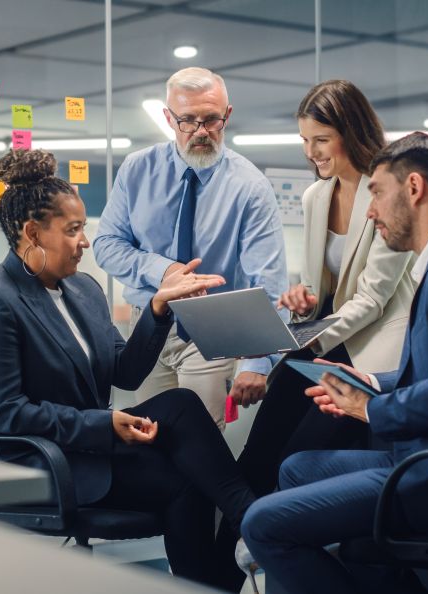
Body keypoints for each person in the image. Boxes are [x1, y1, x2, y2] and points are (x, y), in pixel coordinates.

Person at [239, 132, 428, 594]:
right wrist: (372, 382)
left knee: (263, 523)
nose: (372, 211)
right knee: (297, 467)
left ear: (414, 188)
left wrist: (369, 408)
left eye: (377, 192)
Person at [0, 149, 256, 588]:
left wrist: (159, 308)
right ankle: (249, 529)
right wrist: (105, 425)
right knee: (186, 479)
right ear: (32, 232)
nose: (85, 242)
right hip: (47, 463)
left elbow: (125, 372)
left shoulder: (82, 288)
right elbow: (6, 414)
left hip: (93, 446)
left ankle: (246, 525)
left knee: (180, 404)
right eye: (73, 230)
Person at [215, 80, 416, 591]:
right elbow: (323, 288)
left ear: (350, 131)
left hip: (368, 352)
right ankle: (218, 573)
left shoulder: (386, 191)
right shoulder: (315, 195)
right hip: (323, 341)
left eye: (321, 140)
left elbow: (371, 299)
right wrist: (303, 299)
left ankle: (267, 550)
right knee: (256, 456)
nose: (311, 153)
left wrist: (308, 340)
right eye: (305, 140)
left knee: (293, 459)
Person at [93, 66, 288, 429]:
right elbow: (106, 245)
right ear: (168, 118)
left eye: (211, 120)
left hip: (213, 329)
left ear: (227, 116)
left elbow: (269, 282)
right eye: (188, 120)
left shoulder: (250, 187)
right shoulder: (137, 170)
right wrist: (165, 271)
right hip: (147, 326)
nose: (200, 132)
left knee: (199, 442)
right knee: (147, 439)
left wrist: (257, 361)